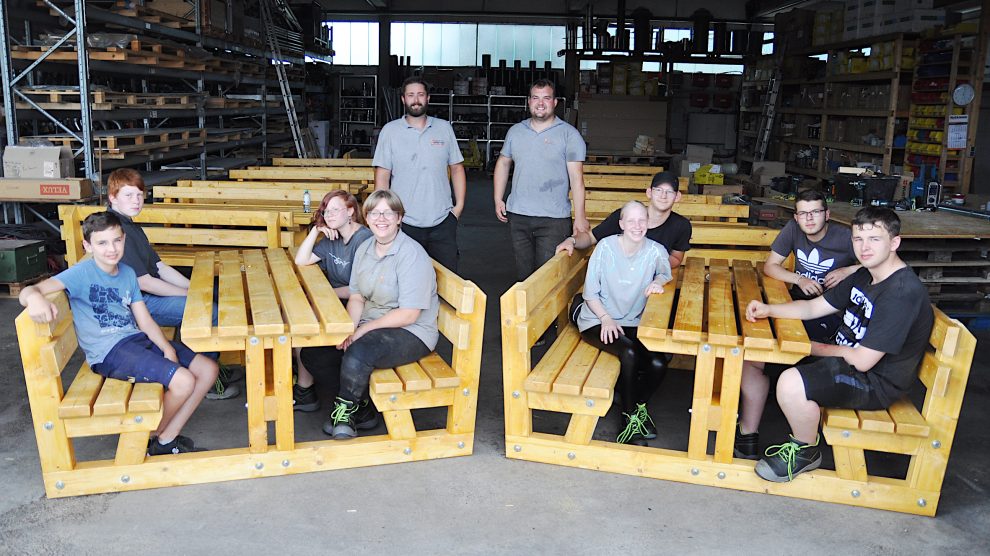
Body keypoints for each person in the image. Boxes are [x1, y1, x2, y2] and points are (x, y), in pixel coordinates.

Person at [737, 207, 933, 482]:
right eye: (858, 239)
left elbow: (863, 361)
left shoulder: (901, 293)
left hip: (874, 381)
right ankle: (747, 435)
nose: (864, 248)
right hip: (846, 361)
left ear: (894, 243)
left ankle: (805, 451)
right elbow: (814, 307)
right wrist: (769, 310)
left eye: (874, 239)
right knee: (754, 357)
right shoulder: (864, 275)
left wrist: (807, 346)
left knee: (790, 383)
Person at [19, 212, 218, 455]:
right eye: (102, 243)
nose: (111, 249)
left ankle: (166, 438)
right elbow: (29, 290)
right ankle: (145, 439)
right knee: (184, 381)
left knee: (208, 369)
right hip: (108, 353)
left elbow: (144, 320)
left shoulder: (126, 273)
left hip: (134, 340)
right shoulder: (81, 273)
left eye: (116, 240)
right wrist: (35, 299)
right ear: (88, 246)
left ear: (124, 240)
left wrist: (167, 348)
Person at [299, 190, 439, 439]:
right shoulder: (365, 248)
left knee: (360, 350)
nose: (381, 218)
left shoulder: (411, 254)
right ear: (367, 217)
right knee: (316, 352)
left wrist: (361, 331)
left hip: (411, 332)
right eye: (374, 213)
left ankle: (345, 411)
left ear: (399, 218)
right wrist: (349, 330)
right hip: (372, 324)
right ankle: (363, 408)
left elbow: (408, 314)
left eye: (388, 213)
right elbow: (356, 297)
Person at [105, 168, 239, 400]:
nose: (136, 201)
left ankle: (208, 364)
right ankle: (206, 379)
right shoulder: (115, 231)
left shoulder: (130, 225)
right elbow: (145, 283)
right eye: (128, 195)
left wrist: (194, 288)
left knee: (214, 295)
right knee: (211, 312)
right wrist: (194, 297)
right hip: (136, 307)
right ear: (112, 197)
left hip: (147, 297)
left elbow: (159, 267)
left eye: (139, 195)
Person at [570, 201, 672, 446]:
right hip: (597, 319)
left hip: (632, 321)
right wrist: (605, 319)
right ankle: (629, 421)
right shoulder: (605, 248)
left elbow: (666, 273)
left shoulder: (656, 250)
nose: (637, 226)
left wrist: (659, 281)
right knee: (628, 352)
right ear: (621, 224)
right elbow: (590, 294)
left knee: (659, 362)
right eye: (631, 221)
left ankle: (637, 407)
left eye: (642, 220)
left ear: (648, 222)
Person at [494, 79, 589, 283]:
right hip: (518, 215)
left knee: (546, 279)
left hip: (553, 219)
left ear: (555, 102)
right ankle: (525, 316)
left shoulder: (569, 135)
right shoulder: (516, 132)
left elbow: (577, 180)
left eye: (546, 98)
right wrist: (498, 198)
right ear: (529, 102)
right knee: (524, 277)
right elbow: (503, 163)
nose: (540, 103)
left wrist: (580, 217)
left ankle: (548, 317)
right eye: (536, 98)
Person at [373, 76, 466, 271]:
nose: (416, 100)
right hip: (404, 222)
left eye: (420, 95)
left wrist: (458, 209)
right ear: (403, 100)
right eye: (411, 95)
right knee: (405, 278)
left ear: (428, 98)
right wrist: (385, 214)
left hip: (442, 221)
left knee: (448, 282)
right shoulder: (390, 132)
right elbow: (382, 176)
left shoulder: (443, 128)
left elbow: (457, 168)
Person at [292, 190, 372, 412]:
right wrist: (316, 230)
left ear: (350, 211)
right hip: (338, 301)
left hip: (361, 307)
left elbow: (361, 290)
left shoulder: (363, 240)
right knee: (301, 320)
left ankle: (317, 391)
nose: (329, 214)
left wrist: (326, 295)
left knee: (306, 324)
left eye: (335, 209)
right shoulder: (332, 237)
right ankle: (305, 389)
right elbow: (302, 260)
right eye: (326, 210)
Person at [764, 189, 859, 342]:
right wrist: (800, 280)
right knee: (764, 328)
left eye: (815, 212)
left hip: (831, 309)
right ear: (796, 217)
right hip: (797, 301)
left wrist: (848, 271)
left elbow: (880, 265)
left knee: (797, 338)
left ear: (827, 214)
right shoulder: (793, 228)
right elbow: (770, 265)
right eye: (803, 213)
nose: (809, 218)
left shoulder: (846, 237)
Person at [555, 171, 692, 270]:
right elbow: (590, 238)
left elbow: (676, 259)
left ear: (677, 196)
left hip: (653, 282)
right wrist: (572, 240)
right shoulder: (625, 216)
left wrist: (648, 263)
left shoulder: (681, 226)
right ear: (649, 193)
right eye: (658, 190)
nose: (663, 196)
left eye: (669, 192)